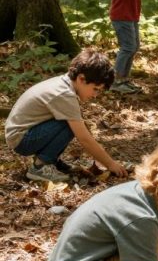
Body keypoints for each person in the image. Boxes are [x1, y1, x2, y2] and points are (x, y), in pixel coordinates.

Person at [4, 50, 128, 184]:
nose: (95, 95)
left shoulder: (65, 83)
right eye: (96, 89)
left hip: (24, 133)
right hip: (21, 139)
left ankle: (51, 161)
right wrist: (110, 164)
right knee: (69, 124)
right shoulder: (64, 94)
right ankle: (40, 166)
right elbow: (84, 138)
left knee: (72, 122)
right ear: (81, 78)